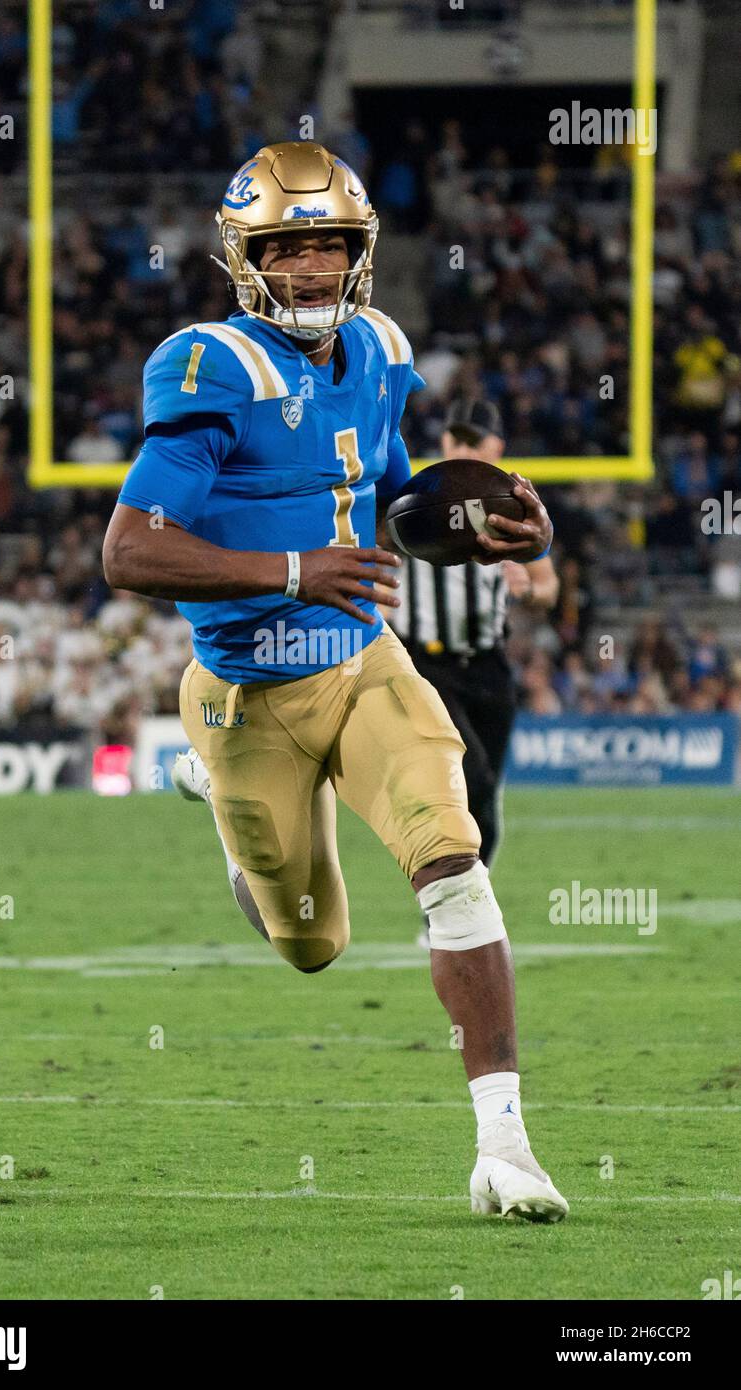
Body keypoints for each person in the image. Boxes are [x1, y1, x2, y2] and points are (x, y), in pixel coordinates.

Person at [103, 141, 567, 1221]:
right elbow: (129, 550)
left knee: (453, 865)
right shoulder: (209, 364)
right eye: (288, 248)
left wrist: (488, 527)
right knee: (310, 942)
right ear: (243, 257)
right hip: (242, 696)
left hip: (362, 662)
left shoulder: (381, 349)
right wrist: (293, 568)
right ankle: (219, 797)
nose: (313, 269)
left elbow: (394, 500)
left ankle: (502, 1144)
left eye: (331, 245)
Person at [391, 398, 559, 914]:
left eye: (472, 440)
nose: (460, 449)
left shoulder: (513, 503)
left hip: (488, 664)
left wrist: (526, 586)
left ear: (496, 448)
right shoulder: (415, 494)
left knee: (487, 796)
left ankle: (468, 898)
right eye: (454, 438)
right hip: (426, 662)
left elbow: (549, 587)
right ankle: (450, 900)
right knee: (472, 776)